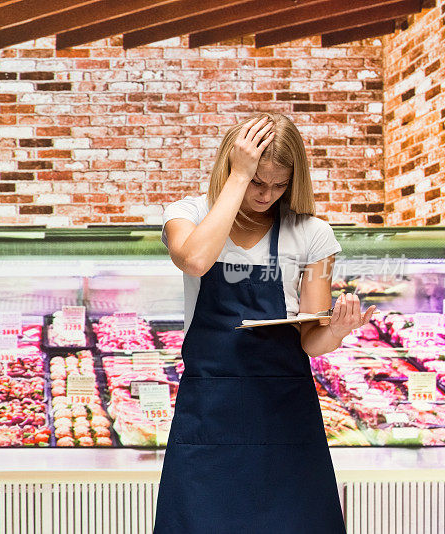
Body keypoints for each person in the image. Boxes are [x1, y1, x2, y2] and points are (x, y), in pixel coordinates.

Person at [153, 113, 376, 533]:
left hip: (285, 413)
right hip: (209, 411)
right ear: (233, 166)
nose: (266, 194)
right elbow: (196, 261)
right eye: (258, 182)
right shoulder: (189, 213)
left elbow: (311, 341)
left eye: (279, 185)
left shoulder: (313, 233)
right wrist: (236, 179)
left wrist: (338, 330)